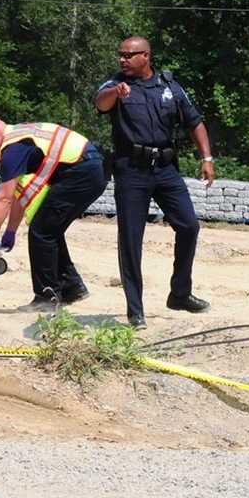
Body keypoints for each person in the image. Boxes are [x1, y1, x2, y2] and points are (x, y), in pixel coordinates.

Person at [95, 36, 215, 329]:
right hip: (131, 169)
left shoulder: (169, 86)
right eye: (120, 55)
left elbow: (194, 121)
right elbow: (101, 103)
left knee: (189, 225)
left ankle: (180, 293)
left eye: (128, 55)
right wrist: (115, 93)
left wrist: (207, 158)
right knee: (131, 240)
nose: (122, 60)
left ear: (145, 56)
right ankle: (135, 311)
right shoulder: (115, 85)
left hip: (165, 168)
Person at [0, 115, 107, 311]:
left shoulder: (12, 149)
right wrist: (10, 231)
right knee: (49, 228)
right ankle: (71, 288)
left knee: (41, 231)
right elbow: (17, 195)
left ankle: (46, 297)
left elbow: (4, 198)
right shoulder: (20, 139)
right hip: (89, 167)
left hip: (82, 171)